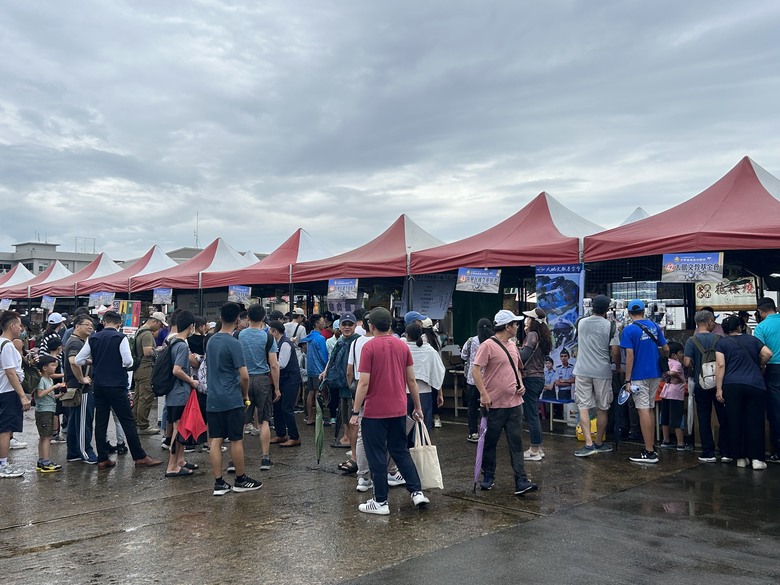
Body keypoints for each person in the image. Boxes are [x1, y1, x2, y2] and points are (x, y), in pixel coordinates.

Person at [349, 307, 430, 515]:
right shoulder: (402, 346)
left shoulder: (369, 347)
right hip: (399, 407)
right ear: (391, 325)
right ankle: (416, 492)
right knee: (400, 451)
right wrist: (418, 407)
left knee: (376, 454)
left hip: (375, 411)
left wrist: (355, 411)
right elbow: (411, 380)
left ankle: (381, 501)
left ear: (371, 326)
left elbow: (364, 383)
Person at [74, 310, 162, 471]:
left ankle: (102, 458)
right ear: (119, 324)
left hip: (99, 385)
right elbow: (128, 361)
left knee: (101, 422)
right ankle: (140, 456)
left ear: (104, 322)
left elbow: (78, 359)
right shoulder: (120, 337)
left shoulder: (93, 338)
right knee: (127, 421)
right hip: (116, 384)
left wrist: (94, 361)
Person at [473, 310, 538, 496]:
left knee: (516, 443)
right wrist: (483, 394)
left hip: (514, 403)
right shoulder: (488, 346)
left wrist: (521, 384)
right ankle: (488, 476)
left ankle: (521, 480)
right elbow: (476, 371)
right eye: (515, 324)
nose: (517, 327)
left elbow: (517, 368)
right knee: (490, 442)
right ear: (507, 326)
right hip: (493, 404)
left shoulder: (513, 345)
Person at [205, 302, 262, 496]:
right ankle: (240, 479)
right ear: (238, 320)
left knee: (215, 440)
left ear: (220, 318)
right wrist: (245, 394)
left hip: (213, 398)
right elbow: (244, 375)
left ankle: (219, 483)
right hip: (231, 398)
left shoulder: (210, 340)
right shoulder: (234, 343)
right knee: (236, 439)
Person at [716, 315, 773, 470]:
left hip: (732, 385)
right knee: (755, 421)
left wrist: (719, 388)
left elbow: (720, 366)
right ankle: (757, 459)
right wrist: (758, 365)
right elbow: (767, 353)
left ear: (725, 330)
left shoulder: (722, 343)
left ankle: (741, 458)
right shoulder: (752, 340)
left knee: (735, 421)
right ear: (740, 327)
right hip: (755, 384)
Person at [621, 299, 668, 464]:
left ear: (629, 312)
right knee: (649, 408)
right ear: (643, 310)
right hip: (655, 373)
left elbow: (630, 356)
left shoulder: (629, 330)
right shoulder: (654, 327)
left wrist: (627, 380)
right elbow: (666, 348)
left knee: (643, 410)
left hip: (638, 376)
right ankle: (652, 446)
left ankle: (649, 452)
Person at [572, 296, 617, 457]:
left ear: (591, 307)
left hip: (582, 370)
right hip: (602, 371)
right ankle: (599, 442)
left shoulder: (581, 322)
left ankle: (588, 445)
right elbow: (615, 350)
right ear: (607, 309)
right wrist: (617, 366)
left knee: (583, 406)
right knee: (603, 408)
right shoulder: (610, 326)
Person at [683, 310, 730, 463]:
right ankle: (725, 452)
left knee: (704, 417)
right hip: (719, 383)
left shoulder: (691, 341)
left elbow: (686, 362)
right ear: (709, 321)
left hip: (700, 384)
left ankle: (708, 452)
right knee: (723, 417)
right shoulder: (719, 339)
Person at [238, 304, 280, 471]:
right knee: (264, 420)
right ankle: (265, 458)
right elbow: (274, 365)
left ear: (248, 317)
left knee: (242, 420)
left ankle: (236, 459)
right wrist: (276, 387)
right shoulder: (268, 338)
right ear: (263, 318)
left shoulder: (238, 335)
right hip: (262, 381)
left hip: (244, 381)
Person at [164, 310, 199, 478]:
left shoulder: (173, 342)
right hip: (179, 392)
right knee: (178, 429)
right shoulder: (182, 345)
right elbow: (177, 370)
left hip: (174, 392)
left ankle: (179, 461)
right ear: (191, 326)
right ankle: (172, 466)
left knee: (180, 427)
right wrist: (192, 381)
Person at [63, 314, 98, 465]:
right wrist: (81, 379)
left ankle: (73, 452)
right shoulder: (76, 343)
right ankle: (86, 452)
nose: (90, 327)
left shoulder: (76, 341)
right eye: (86, 324)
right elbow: (73, 362)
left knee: (74, 421)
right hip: (81, 388)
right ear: (77, 326)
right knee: (84, 421)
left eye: (91, 325)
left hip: (75, 388)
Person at [0, 311, 31, 478]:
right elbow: (11, 373)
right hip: (7, 392)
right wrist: (22, 396)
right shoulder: (7, 346)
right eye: (19, 325)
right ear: (12, 326)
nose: (21, 329)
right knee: (5, 429)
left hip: (2, 391)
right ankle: (2, 464)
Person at [520, 308, 552, 461]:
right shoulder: (543, 336)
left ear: (533, 321)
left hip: (531, 378)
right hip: (539, 378)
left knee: (531, 415)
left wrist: (514, 351)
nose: (526, 323)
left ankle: (534, 449)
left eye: (528, 320)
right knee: (533, 414)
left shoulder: (532, 335)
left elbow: (525, 355)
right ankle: (538, 448)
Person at [404, 323, 445, 433]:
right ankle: (421, 450)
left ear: (407, 336)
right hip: (424, 393)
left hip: (404, 393)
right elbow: (438, 372)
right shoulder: (430, 350)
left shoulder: (402, 349)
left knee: (405, 429)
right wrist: (440, 393)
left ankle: (406, 449)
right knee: (423, 429)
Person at [754, 297, 780, 464]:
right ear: (775, 308)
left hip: (773, 371)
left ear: (761, 312)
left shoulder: (761, 327)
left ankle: (777, 452)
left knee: (776, 411)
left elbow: (762, 353)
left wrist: (762, 366)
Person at [268, 320, 301, 447]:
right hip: (283, 379)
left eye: (270, 331)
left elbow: (281, 364)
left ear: (275, 332)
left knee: (287, 408)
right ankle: (280, 434)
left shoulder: (285, 344)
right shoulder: (278, 343)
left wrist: (270, 363)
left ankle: (294, 436)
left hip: (290, 379)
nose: (269, 333)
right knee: (277, 407)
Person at [133, 312, 167, 434]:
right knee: (146, 397)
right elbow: (147, 352)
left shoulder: (140, 330)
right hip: (145, 368)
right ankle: (143, 425)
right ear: (155, 322)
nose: (160, 328)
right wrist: (158, 350)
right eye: (160, 325)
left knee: (138, 397)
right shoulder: (147, 333)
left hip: (138, 369)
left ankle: (136, 421)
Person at [461, 318, 493, 443]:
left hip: (473, 379)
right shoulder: (493, 341)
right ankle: (488, 430)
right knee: (489, 405)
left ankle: (473, 432)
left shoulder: (471, 341)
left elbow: (464, 355)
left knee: (472, 406)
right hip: (489, 379)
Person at [34, 354, 66, 472]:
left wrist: (60, 395)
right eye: (52, 365)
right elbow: (40, 394)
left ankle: (42, 460)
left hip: (49, 409)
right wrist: (54, 387)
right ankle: (46, 461)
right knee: (46, 437)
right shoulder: (41, 380)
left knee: (44, 436)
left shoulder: (50, 379)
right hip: (44, 411)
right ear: (44, 368)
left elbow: (50, 396)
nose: (54, 368)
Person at [300, 314, 328, 426]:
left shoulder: (309, 337)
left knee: (310, 393)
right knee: (318, 393)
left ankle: (310, 417)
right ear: (317, 324)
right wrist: (327, 367)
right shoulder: (320, 338)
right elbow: (324, 355)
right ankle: (319, 418)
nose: (324, 323)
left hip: (310, 369)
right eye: (322, 321)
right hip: (319, 370)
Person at [658, 342, 688, 451]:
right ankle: (680, 443)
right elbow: (674, 373)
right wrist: (681, 380)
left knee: (665, 417)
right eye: (681, 352)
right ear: (674, 355)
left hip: (665, 392)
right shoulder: (677, 364)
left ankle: (666, 440)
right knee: (678, 417)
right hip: (676, 394)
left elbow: (663, 373)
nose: (682, 355)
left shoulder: (665, 362)